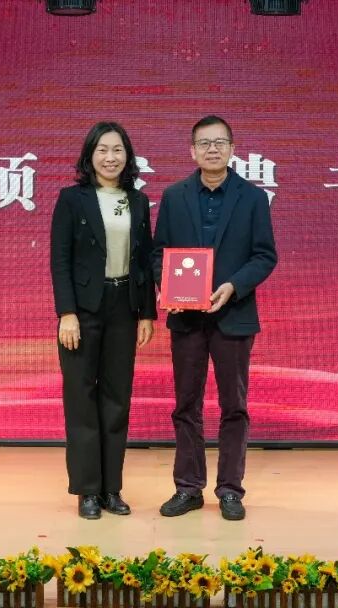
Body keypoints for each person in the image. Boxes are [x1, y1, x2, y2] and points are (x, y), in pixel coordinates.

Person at [151, 115, 277, 521]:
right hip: (187, 318)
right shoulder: (174, 196)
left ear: (232, 149)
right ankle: (188, 488)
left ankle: (230, 490)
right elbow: (158, 253)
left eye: (220, 142)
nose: (212, 149)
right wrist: (166, 287)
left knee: (233, 406)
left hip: (233, 315)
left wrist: (234, 286)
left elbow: (264, 256)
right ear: (192, 151)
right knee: (186, 404)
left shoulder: (253, 198)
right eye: (204, 143)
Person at [50, 122, 157, 519]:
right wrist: (67, 314)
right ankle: (87, 491)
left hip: (124, 306)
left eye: (117, 150)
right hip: (82, 310)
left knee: (116, 400)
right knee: (81, 399)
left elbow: (144, 260)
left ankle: (112, 488)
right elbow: (60, 260)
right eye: (102, 150)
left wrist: (147, 313)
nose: (110, 158)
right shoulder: (72, 199)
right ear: (89, 155)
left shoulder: (138, 201)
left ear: (128, 156)